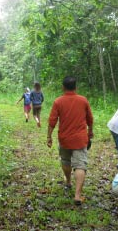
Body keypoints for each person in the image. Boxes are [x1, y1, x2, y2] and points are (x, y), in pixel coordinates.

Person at [47, 76, 94, 205]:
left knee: (66, 161)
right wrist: (90, 132)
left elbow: (52, 121)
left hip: (65, 139)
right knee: (80, 165)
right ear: (76, 87)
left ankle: (68, 181)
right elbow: (90, 119)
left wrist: (49, 137)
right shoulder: (83, 100)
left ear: (63, 87)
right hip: (80, 139)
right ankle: (77, 196)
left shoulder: (58, 101)